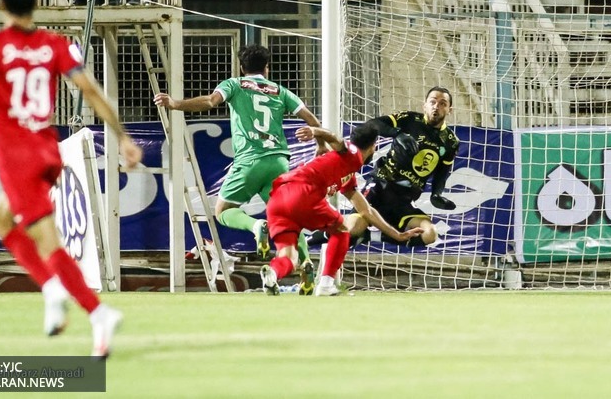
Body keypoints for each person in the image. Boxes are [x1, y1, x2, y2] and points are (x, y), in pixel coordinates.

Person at [0, 0, 143, 358]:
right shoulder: (54, 44)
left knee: (49, 244)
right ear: (35, 2)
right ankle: (51, 290)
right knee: (1, 222)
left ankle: (98, 312)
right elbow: (90, 90)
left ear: (0, 3)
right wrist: (123, 137)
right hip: (47, 152)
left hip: (17, 157)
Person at [153, 44, 324, 293]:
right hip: (279, 161)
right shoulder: (280, 91)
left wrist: (175, 103)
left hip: (250, 161)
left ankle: (256, 226)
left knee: (223, 210)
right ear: (267, 68)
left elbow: (210, 102)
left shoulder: (233, 84)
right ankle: (306, 264)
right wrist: (320, 144)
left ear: (242, 67)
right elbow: (312, 120)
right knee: (288, 217)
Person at [260, 123, 423, 296]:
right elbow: (337, 140)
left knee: (289, 258)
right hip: (302, 192)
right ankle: (326, 285)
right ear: (373, 146)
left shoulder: (346, 172)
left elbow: (366, 210)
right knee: (342, 230)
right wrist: (316, 131)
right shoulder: (353, 154)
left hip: (277, 200)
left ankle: (272, 274)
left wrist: (397, 235)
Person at [308, 86, 459, 248]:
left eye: (442, 103)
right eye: (433, 102)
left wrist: (436, 194)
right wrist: (397, 133)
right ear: (425, 105)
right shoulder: (409, 119)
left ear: (449, 110)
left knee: (430, 234)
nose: (436, 106)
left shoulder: (451, 142)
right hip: (380, 186)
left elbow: (442, 172)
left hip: (404, 199)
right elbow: (373, 125)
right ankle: (316, 238)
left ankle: (368, 236)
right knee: (352, 229)